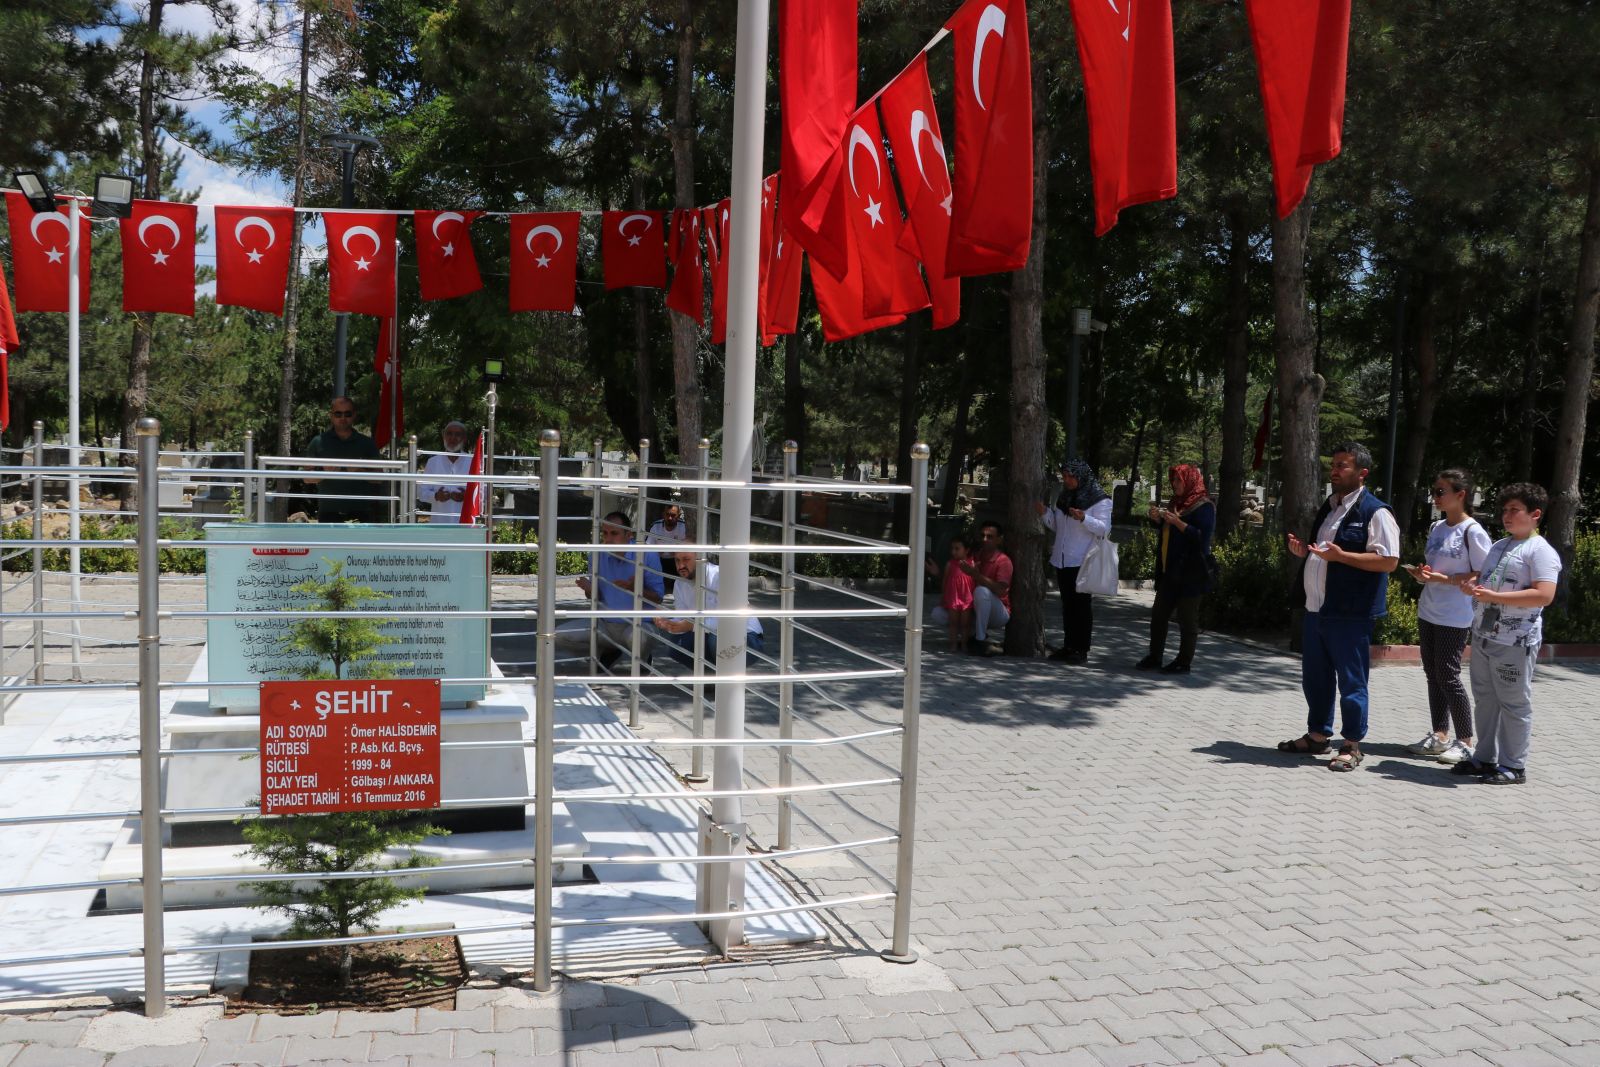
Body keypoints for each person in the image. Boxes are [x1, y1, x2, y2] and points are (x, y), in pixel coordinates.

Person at [1277, 441, 1400, 772]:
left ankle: (1352, 744)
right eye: (1334, 464)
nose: (1335, 470)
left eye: (1343, 465)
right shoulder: (1330, 506)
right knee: (1315, 679)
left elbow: (1388, 561)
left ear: (1362, 473)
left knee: (1351, 681)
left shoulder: (1376, 511)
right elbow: (1326, 552)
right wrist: (1306, 553)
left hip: (1350, 612)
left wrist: (1340, 556)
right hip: (1317, 609)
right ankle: (1318, 736)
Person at [1450, 483, 1562, 785]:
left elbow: (1544, 595)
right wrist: (1472, 587)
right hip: (1485, 636)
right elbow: (1486, 582)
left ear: (1535, 514)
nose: (1507, 516)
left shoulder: (1541, 552)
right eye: (1505, 510)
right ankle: (1484, 758)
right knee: (1485, 700)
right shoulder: (1500, 546)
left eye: (1515, 510)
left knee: (1514, 703)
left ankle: (1514, 766)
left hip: (1515, 641)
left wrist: (1495, 598)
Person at [1403, 469, 1493, 763]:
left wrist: (1446, 579)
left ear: (1461, 495)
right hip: (1429, 609)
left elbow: (1485, 573)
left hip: (1455, 615)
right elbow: (1435, 570)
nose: (1435, 496)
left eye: (1441, 491)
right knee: (1433, 675)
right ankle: (1440, 735)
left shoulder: (1473, 531)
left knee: (1449, 675)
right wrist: (1423, 575)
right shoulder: (1437, 527)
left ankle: (1465, 741)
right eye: (1434, 490)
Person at [553, 511, 664, 669]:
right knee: (559, 636)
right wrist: (590, 590)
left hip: (636, 624)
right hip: (604, 624)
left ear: (629, 535)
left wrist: (635, 589)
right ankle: (609, 650)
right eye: (605, 533)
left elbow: (658, 598)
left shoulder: (647, 555)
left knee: (639, 638)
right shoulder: (596, 555)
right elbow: (594, 596)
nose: (608, 539)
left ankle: (643, 659)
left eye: (614, 533)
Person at [1135, 463, 1216, 674]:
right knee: (1159, 615)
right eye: (1173, 480)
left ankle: (1184, 661)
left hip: (1192, 571)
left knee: (1187, 619)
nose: (1175, 483)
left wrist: (1179, 523)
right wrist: (1158, 520)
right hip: (1171, 570)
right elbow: (1168, 532)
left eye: (1179, 480)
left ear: (1189, 481)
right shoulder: (1175, 502)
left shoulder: (1204, 506)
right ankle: (1155, 656)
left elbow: (1201, 538)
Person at [1034, 459, 1113, 664]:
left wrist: (1084, 518)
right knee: (1067, 605)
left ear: (1081, 476)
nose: (1067, 480)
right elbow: (1058, 527)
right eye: (1065, 476)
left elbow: (1104, 529)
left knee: (1081, 606)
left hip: (1082, 560)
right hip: (1062, 559)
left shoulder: (1100, 500)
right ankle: (1069, 646)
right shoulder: (1065, 497)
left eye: (1071, 476)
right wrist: (1045, 514)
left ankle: (1081, 649)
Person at [653, 551, 765, 667]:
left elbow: (731, 619)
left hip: (748, 637)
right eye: (677, 560)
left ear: (701, 558)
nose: (681, 566)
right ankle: (710, 680)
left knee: (717, 639)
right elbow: (684, 620)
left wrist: (693, 625)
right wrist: (667, 622)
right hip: (709, 634)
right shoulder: (680, 584)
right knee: (675, 645)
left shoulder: (720, 575)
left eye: (686, 559)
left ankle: (725, 681)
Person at [928, 521, 1011, 654]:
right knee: (938, 614)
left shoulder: (1003, 561)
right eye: (983, 535)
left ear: (999, 540)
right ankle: (967, 637)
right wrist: (938, 574)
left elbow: (1001, 590)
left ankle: (980, 641)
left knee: (981, 591)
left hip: (998, 612)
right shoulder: (972, 556)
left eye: (990, 537)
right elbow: (955, 582)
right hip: (972, 606)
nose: (985, 539)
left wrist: (976, 575)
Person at [303, 397, 382, 523]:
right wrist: (325, 473)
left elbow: (379, 478)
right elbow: (306, 478)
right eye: (338, 414)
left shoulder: (367, 443)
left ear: (354, 415)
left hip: (361, 512)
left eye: (347, 414)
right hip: (328, 512)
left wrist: (359, 471)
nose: (343, 418)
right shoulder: (318, 442)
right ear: (331, 415)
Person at [928, 534, 976, 652]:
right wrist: (945, 596)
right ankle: (953, 644)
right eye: (952, 548)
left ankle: (964, 644)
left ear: (967, 550)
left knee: (966, 624)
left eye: (957, 548)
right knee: (953, 623)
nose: (953, 552)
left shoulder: (972, 564)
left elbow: (975, 581)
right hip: (953, 598)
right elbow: (945, 581)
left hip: (967, 599)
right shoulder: (950, 564)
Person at [420, 420, 472, 523]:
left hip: (465, 523)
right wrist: (436, 496)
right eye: (449, 434)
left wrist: (467, 496)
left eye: (457, 434)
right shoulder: (433, 462)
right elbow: (421, 492)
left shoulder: (472, 462)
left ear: (464, 439)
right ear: (444, 437)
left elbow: (483, 493)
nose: (452, 438)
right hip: (439, 523)